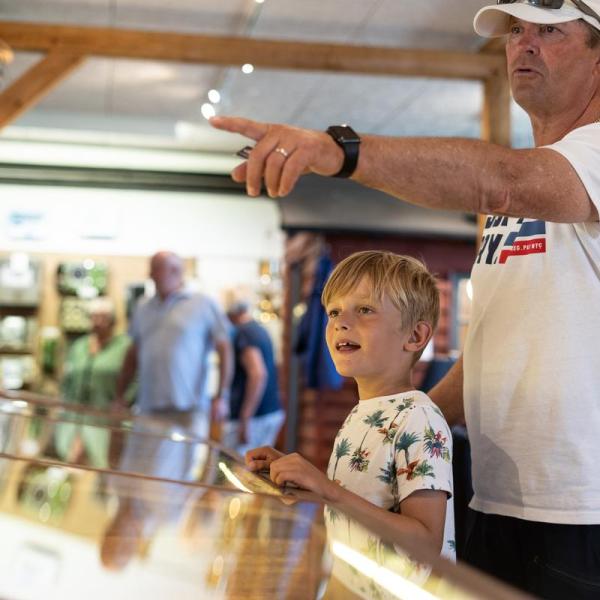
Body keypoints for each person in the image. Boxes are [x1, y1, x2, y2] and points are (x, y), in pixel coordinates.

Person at [211, 2, 600, 596]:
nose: (524, 44)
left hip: (580, 511)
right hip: (501, 502)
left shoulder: (576, 163)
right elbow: (498, 351)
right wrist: (392, 429)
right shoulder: (529, 191)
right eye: (517, 30)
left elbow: (503, 178)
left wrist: (340, 152)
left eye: (549, 30)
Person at [246, 252, 454, 575]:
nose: (341, 322)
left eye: (365, 310)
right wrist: (306, 487)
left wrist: (328, 489)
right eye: (333, 311)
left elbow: (425, 543)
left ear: (415, 336)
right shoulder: (359, 416)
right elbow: (354, 508)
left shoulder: (420, 419)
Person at [114, 251, 233, 442]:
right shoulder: (143, 306)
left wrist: (221, 396)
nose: (150, 274)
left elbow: (225, 349)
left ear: (176, 271)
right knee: (142, 467)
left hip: (187, 410)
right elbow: (133, 353)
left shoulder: (202, 304)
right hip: (148, 407)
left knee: (179, 471)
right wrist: (120, 395)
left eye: (155, 269)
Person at [55, 297, 132, 468]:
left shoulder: (125, 348)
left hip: (105, 423)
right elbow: (67, 382)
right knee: (70, 467)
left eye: (102, 317)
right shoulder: (79, 347)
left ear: (113, 320)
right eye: (93, 316)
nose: (97, 322)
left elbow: (135, 382)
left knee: (102, 468)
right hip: (73, 420)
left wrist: (123, 403)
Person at [222, 298, 285, 457]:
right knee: (257, 469)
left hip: (254, 417)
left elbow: (257, 373)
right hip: (269, 411)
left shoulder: (243, 332)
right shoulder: (259, 329)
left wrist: (245, 418)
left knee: (234, 468)